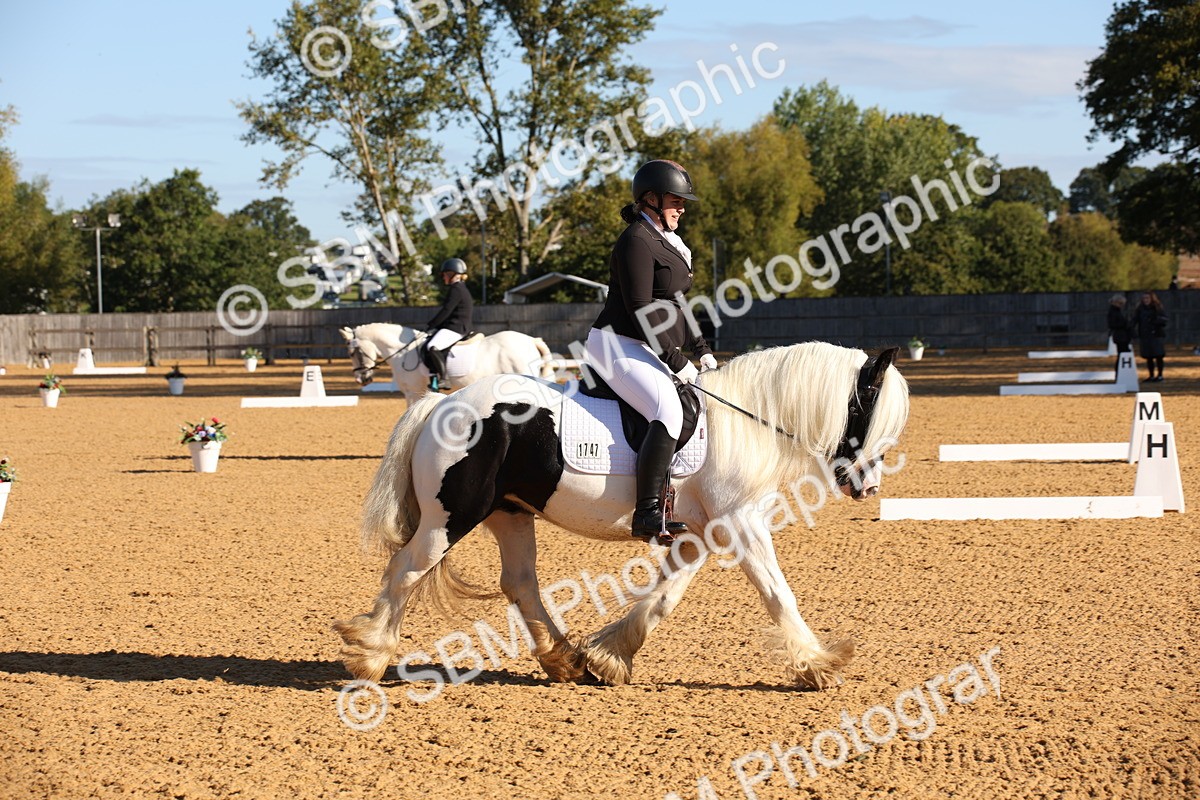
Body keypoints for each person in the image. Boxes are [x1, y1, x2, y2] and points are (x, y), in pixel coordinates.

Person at [586, 159, 718, 542]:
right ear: (651, 199)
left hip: (641, 344)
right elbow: (641, 308)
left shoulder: (667, 242)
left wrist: (701, 349)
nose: (682, 207)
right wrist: (677, 361)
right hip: (615, 345)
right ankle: (646, 512)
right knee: (667, 409)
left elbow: (676, 303)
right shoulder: (636, 241)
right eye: (676, 200)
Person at [424, 258, 473, 391]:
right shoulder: (458, 288)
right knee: (426, 345)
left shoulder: (456, 289)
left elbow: (446, 311)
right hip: (454, 325)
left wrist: (431, 325)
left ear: (452, 274)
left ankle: (444, 379)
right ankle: (433, 379)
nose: (443, 277)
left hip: (457, 327)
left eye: (445, 274)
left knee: (432, 346)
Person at [1131, 291, 1167, 382]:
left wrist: (1155, 320)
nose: (1145, 300)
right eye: (1144, 298)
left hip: (1156, 335)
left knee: (1159, 356)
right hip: (1145, 336)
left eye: (1147, 298)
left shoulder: (1157, 308)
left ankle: (1160, 375)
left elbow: (1164, 320)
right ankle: (1151, 375)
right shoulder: (1140, 309)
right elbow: (1134, 320)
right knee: (1149, 356)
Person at [1107, 294, 1131, 372]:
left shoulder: (1116, 311)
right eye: (1120, 303)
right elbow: (1112, 324)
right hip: (1120, 336)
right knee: (1122, 354)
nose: (1121, 305)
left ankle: (1122, 371)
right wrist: (1125, 324)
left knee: (1122, 354)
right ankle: (1120, 372)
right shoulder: (1113, 312)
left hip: (1122, 336)